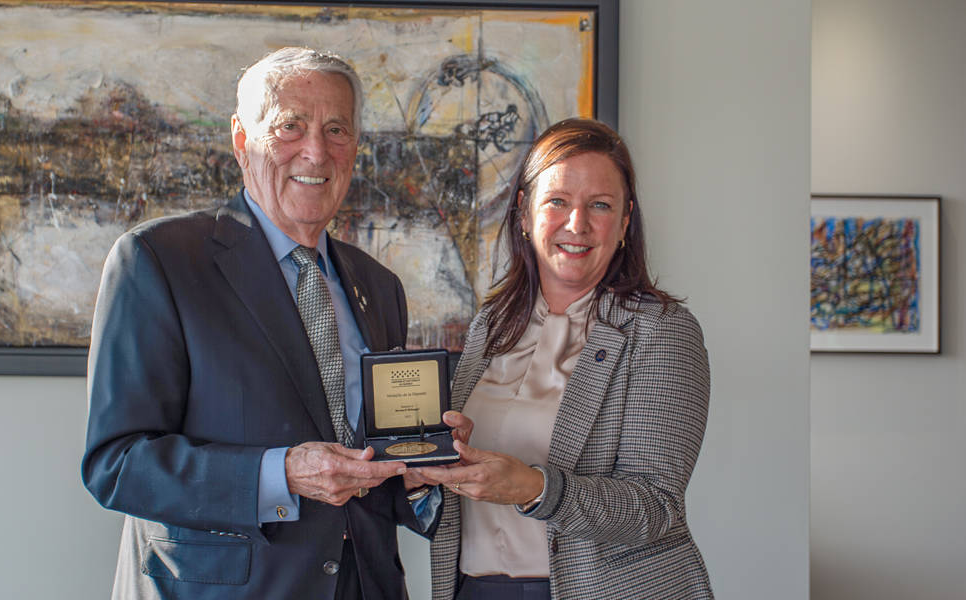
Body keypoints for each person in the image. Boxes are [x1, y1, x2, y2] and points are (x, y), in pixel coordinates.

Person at [81, 47, 428, 599]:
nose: (315, 152)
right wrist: (280, 473)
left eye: (336, 129)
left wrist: (425, 470)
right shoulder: (159, 259)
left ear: (355, 149)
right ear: (242, 141)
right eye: (290, 126)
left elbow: (374, 467)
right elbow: (118, 464)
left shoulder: (379, 287)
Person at [411, 118, 714, 599]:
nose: (578, 224)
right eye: (558, 201)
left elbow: (656, 507)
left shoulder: (661, 331)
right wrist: (427, 469)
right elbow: (457, 495)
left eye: (600, 205)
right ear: (525, 213)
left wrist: (533, 488)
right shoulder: (491, 325)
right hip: (473, 589)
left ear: (625, 221)